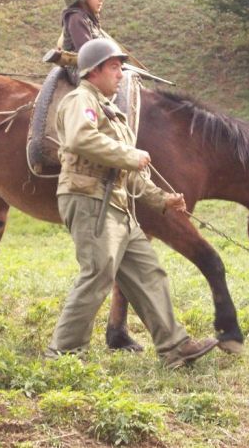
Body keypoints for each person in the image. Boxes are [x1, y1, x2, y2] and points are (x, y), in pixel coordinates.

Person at [46, 39, 219, 368]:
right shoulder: (80, 99)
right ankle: (63, 355)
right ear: (94, 70)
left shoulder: (112, 111)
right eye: (114, 67)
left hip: (117, 205)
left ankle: (175, 347)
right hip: (89, 199)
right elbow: (80, 139)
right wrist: (131, 154)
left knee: (148, 273)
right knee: (97, 273)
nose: (121, 74)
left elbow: (130, 169)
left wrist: (162, 200)